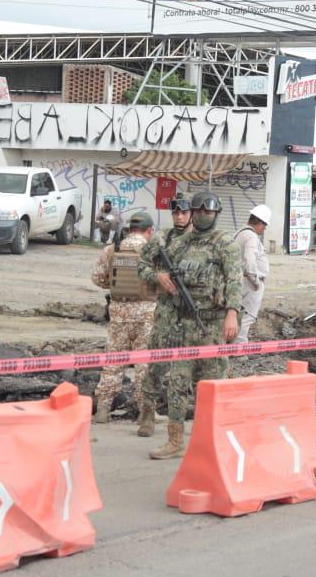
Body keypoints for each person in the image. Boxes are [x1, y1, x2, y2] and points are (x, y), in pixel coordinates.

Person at [138, 193, 242, 459]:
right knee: (178, 384)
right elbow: (143, 264)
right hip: (183, 326)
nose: (204, 215)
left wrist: (232, 313)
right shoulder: (178, 243)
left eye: (210, 212)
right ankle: (175, 441)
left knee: (212, 385)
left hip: (213, 326)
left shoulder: (225, 244)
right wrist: (158, 276)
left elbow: (234, 280)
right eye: (200, 211)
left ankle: (212, 439)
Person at [88, 211, 158, 425]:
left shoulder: (112, 249)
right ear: (149, 231)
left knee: (113, 361)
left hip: (118, 313)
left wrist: (117, 285)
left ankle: (102, 410)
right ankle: (144, 413)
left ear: (129, 229)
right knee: (143, 363)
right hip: (146, 314)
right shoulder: (153, 251)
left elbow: (98, 278)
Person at [135, 194, 192, 438]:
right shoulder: (161, 238)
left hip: (190, 312)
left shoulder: (199, 240)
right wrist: (158, 277)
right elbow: (141, 265)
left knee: (188, 368)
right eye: (175, 212)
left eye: (184, 212)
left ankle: (179, 420)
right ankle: (147, 414)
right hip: (167, 312)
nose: (179, 217)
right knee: (156, 366)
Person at [232, 205, 272, 342]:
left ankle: (234, 342)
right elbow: (249, 261)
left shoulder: (240, 233)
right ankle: (239, 345)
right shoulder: (251, 236)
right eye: (264, 226)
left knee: (239, 314)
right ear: (260, 222)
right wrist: (255, 281)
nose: (264, 229)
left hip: (240, 280)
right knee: (247, 315)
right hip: (249, 282)